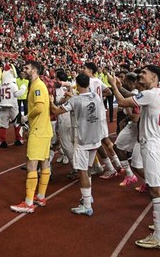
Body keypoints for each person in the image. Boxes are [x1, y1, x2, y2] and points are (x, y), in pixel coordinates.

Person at [109, 65, 160, 250]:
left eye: (144, 73)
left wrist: (114, 85)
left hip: (152, 146)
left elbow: (122, 101)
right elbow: (132, 94)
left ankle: (158, 236)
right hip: (158, 143)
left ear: (154, 77)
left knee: (156, 191)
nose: (140, 74)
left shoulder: (151, 94)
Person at [50, 73, 105, 216]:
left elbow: (56, 111)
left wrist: (50, 101)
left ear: (78, 84)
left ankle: (87, 205)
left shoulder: (75, 100)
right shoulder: (96, 96)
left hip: (82, 140)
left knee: (82, 172)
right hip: (95, 139)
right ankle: (88, 196)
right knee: (88, 169)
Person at [10, 61, 53, 213]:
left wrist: (26, 117)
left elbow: (40, 107)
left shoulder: (37, 86)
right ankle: (40, 196)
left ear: (34, 70)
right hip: (45, 130)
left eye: (26, 68)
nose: (24, 70)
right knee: (45, 162)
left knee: (31, 164)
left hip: (38, 130)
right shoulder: (37, 85)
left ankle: (28, 203)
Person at [0, 64, 26, 148]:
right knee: (17, 123)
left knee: (3, 124)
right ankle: (18, 138)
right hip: (13, 105)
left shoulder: (1, 85)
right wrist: (23, 88)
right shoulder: (13, 85)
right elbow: (17, 94)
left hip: (3, 105)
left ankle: (2, 140)